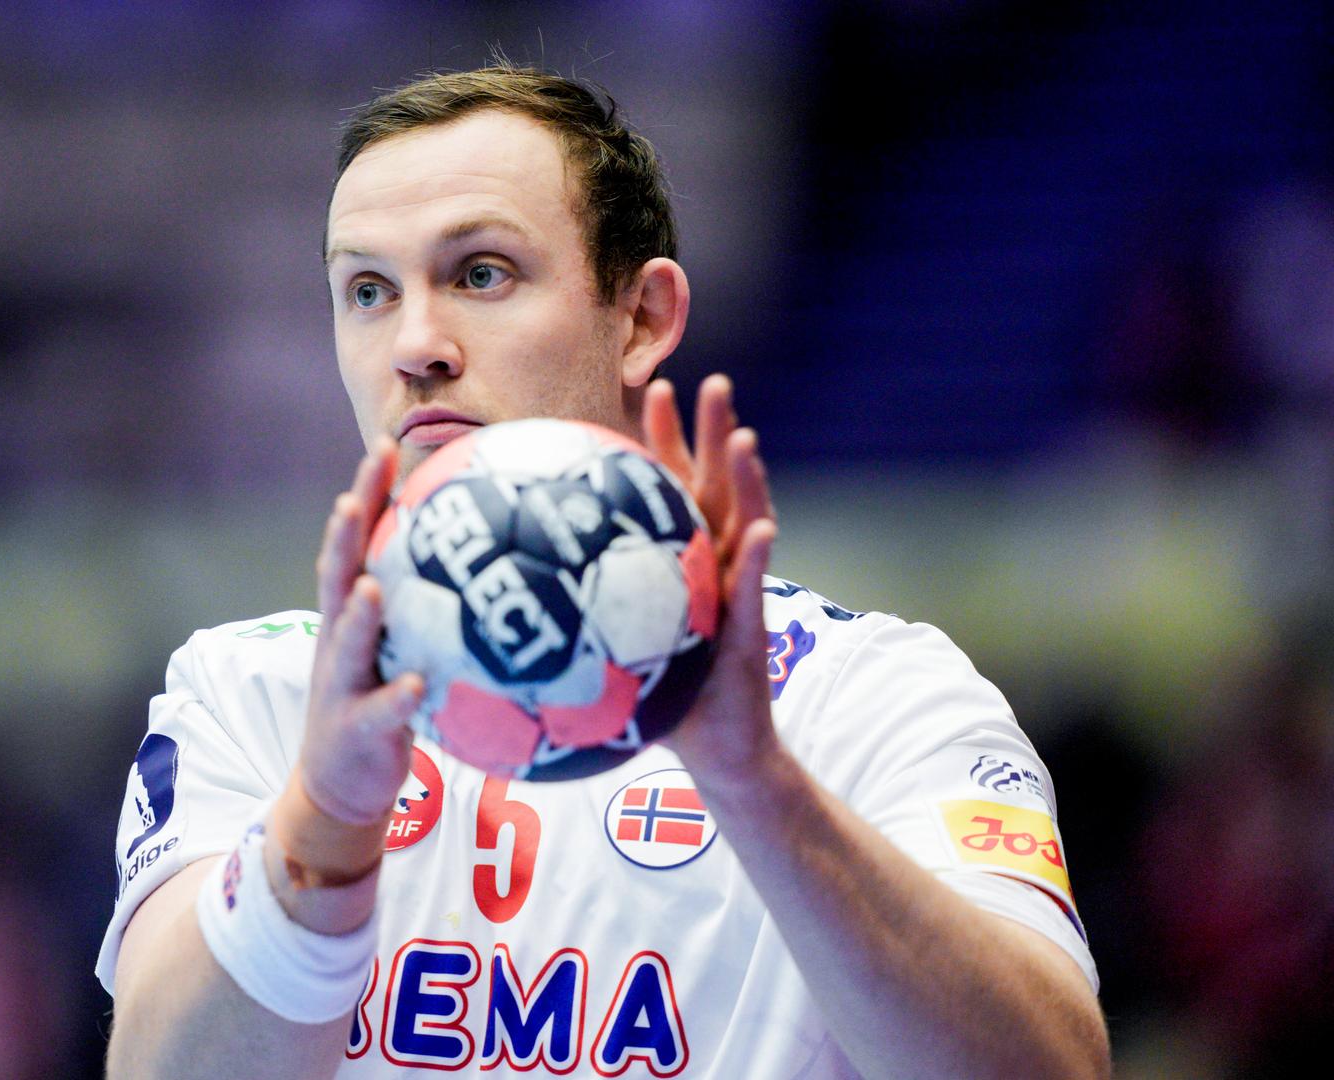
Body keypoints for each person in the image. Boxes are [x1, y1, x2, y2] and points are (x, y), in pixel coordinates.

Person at [98, 65, 1110, 1079]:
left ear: (643, 318)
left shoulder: (872, 695)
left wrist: (756, 784)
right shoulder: (250, 695)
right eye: (368, 291)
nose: (414, 346)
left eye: (481, 273)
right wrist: (320, 823)